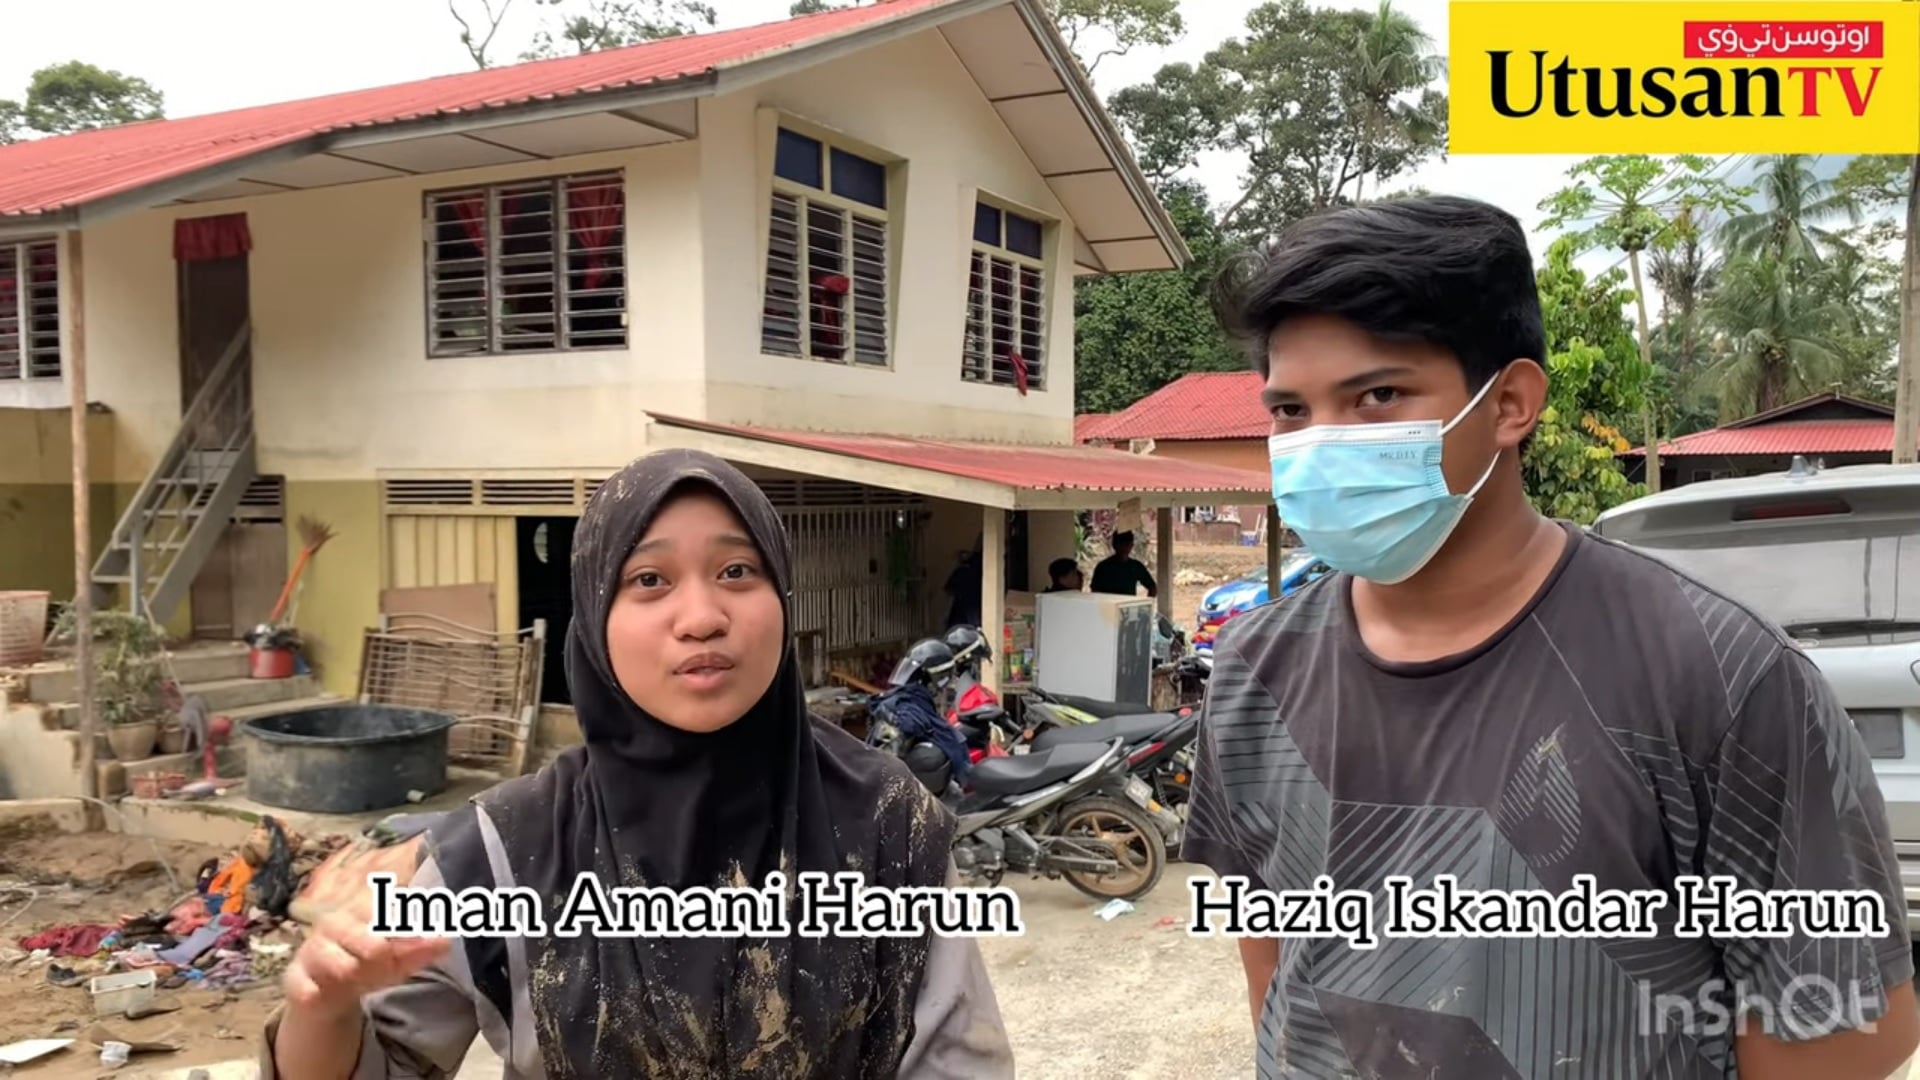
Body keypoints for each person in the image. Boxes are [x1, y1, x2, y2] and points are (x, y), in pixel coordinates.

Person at [1183, 195, 1918, 1078]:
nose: (1322, 444)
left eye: (1378, 396)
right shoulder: (1254, 669)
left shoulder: (1714, 671)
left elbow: (1845, 1028)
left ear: (1510, 403)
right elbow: (1275, 962)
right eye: (1291, 411)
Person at [262, 449, 1015, 1079]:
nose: (702, 618)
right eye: (649, 580)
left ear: (783, 597)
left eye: (738, 571)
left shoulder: (885, 823)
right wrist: (323, 1010)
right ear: (595, 617)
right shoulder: (505, 851)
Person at [1088, 531, 1156, 598]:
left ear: (1131, 545)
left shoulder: (1136, 566)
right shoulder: (1103, 567)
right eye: (1121, 544)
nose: (1124, 547)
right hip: (1107, 604)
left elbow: (1152, 587)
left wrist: (1147, 603)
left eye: (1127, 544)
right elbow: (1095, 591)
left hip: (1127, 604)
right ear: (1114, 545)